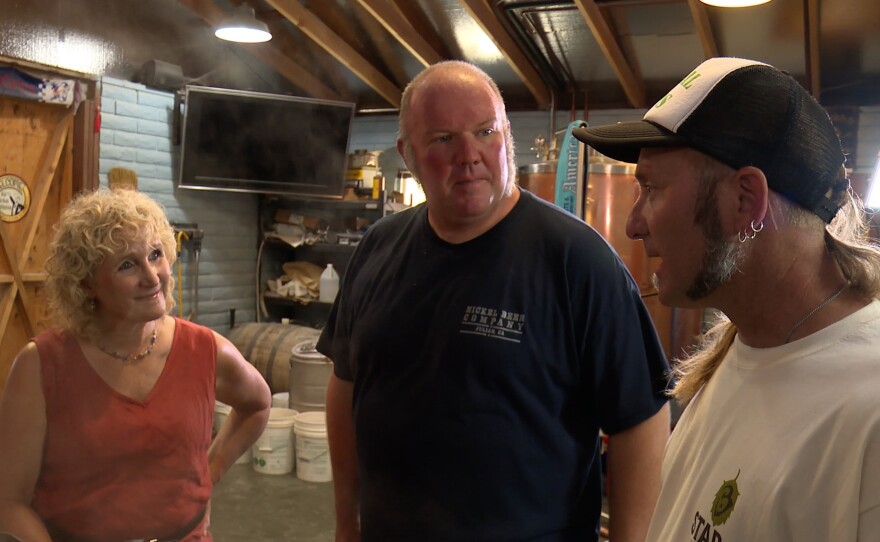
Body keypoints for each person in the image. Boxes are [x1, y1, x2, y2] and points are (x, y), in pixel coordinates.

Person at [317, 60, 671, 542]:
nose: (470, 155)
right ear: (408, 154)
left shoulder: (577, 259)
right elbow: (346, 385)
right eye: (443, 138)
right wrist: (345, 522)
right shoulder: (378, 247)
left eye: (485, 132)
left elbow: (642, 420)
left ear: (508, 135)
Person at [574, 56, 880, 541]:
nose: (633, 224)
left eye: (651, 189)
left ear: (745, 201)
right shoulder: (745, 348)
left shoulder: (869, 413)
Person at [0, 188, 272, 541]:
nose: (153, 276)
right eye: (127, 264)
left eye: (156, 254)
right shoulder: (40, 365)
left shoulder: (205, 349)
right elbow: (8, 501)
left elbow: (258, 404)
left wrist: (210, 473)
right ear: (87, 284)